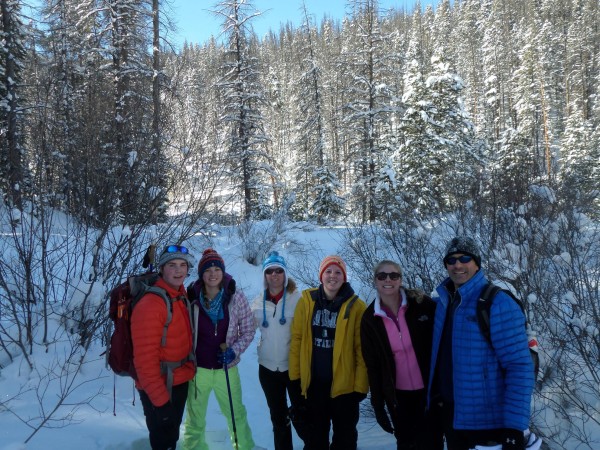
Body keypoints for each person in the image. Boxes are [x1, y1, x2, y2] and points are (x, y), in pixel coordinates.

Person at [427, 237, 534, 450]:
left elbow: (520, 366)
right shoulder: (443, 303)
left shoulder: (497, 303)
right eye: (451, 260)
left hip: (488, 422)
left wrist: (514, 427)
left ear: (477, 263)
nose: (458, 264)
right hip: (452, 416)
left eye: (465, 258)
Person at [360, 260, 442, 450]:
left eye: (393, 275)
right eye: (382, 276)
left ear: (400, 279)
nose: (388, 280)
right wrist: (378, 405)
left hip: (428, 392)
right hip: (398, 396)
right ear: (375, 280)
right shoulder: (369, 318)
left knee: (432, 442)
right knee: (406, 444)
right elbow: (372, 365)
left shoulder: (421, 305)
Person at [289, 255, 368, 450]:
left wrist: (360, 387)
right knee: (315, 440)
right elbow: (297, 340)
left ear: (344, 277)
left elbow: (361, 350)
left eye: (338, 272)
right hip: (314, 386)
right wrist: (295, 378)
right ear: (321, 275)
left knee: (345, 440)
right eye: (328, 271)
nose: (333, 276)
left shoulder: (357, 307)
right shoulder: (307, 302)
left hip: (345, 389)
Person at [182, 248, 256, 450]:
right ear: (201, 274)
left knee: (235, 414)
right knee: (195, 417)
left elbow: (249, 330)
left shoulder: (235, 296)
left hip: (227, 369)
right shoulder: (191, 296)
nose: (212, 273)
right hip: (198, 370)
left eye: (216, 269)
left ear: (223, 272)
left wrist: (234, 350)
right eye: (207, 270)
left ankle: (243, 447)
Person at [131, 244, 196, 450]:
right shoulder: (152, 304)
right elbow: (144, 361)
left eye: (182, 265)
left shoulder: (178, 295)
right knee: (163, 441)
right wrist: (160, 403)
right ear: (161, 268)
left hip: (178, 380)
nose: (178, 270)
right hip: (159, 386)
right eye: (172, 265)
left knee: (170, 438)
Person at [250, 251, 303, 450]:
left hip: (294, 369)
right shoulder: (257, 302)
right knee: (278, 418)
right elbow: (244, 330)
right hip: (267, 369)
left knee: (301, 415)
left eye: (279, 270)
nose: (274, 274)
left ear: (285, 274)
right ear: (264, 275)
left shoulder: (299, 300)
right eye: (269, 271)